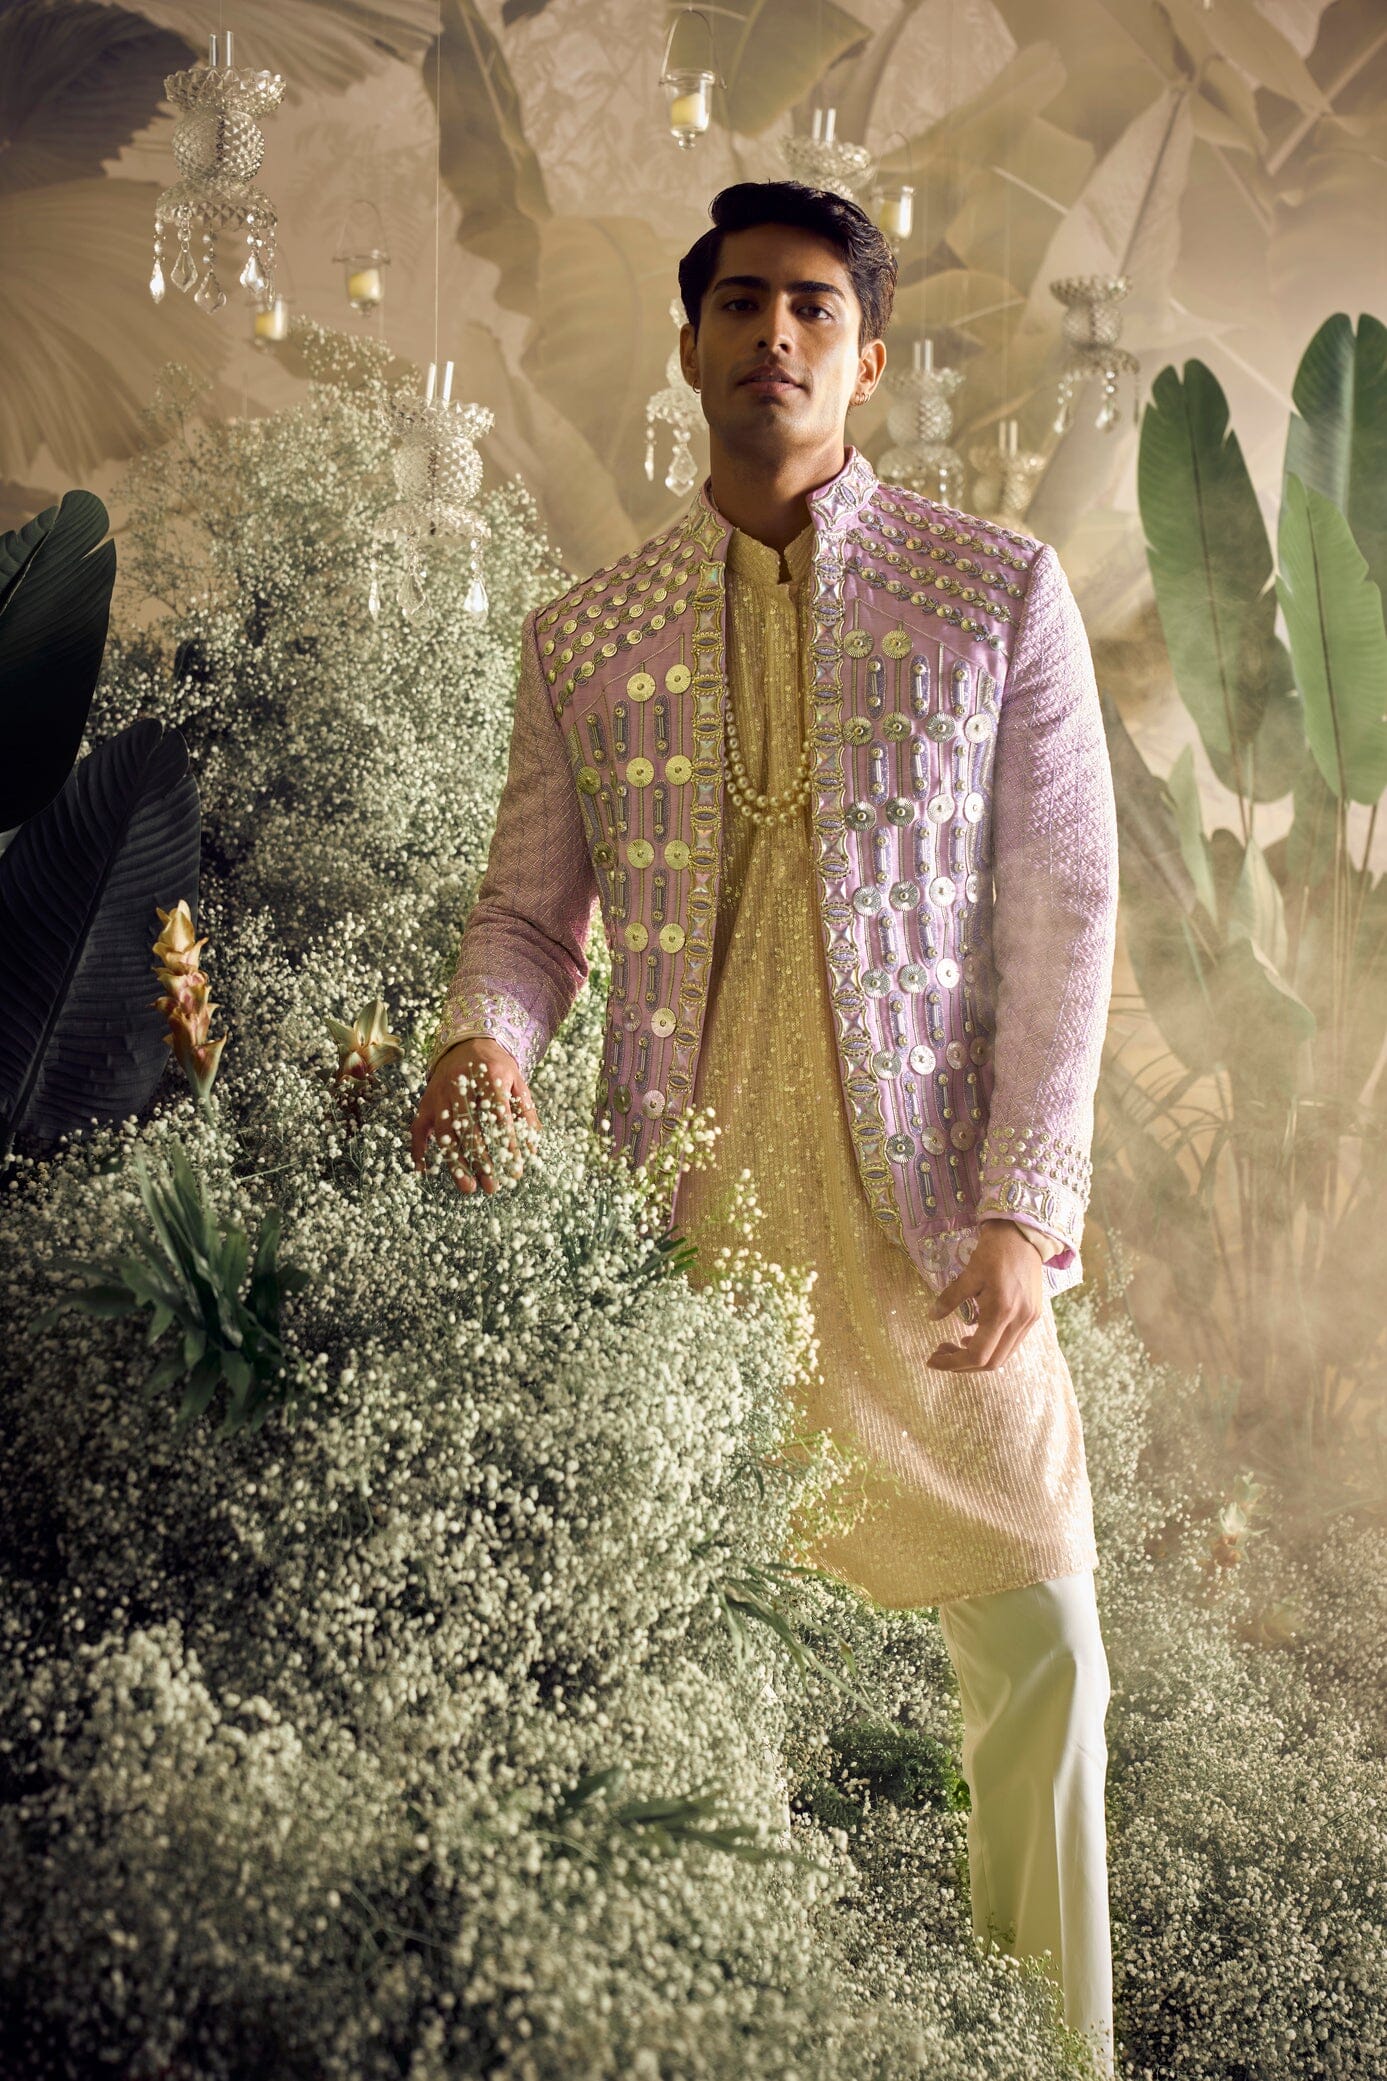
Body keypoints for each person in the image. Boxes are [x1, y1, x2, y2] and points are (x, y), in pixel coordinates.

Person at [410, 180, 1120, 2076]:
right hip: (693, 1219)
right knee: (687, 1678)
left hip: (929, 1218)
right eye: (741, 304)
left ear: (869, 359)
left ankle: (1056, 2055)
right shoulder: (588, 634)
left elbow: (1065, 914)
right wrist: (486, 1045)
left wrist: (1025, 1206)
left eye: (814, 307)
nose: (775, 334)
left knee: (1048, 1649)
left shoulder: (995, 595)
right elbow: (526, 918)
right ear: (691, 343)